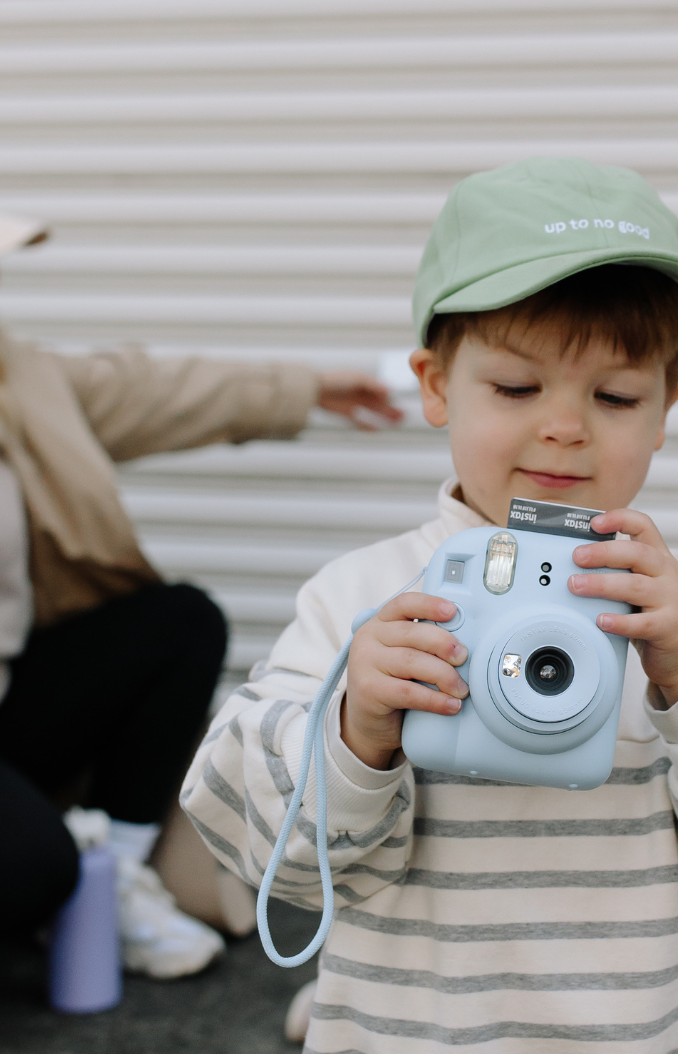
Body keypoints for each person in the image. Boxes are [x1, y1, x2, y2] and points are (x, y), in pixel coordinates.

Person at [183, 158, 678, 1054]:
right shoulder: (365, 601)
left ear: (667, 405)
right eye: (516, 389)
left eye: (616, 396)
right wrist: (357, 729)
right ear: (434, 384)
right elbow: (256, 837)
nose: (564, 428)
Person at [0, 212, 402, 977]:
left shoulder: (17, 378)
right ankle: (59, 871)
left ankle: (109, 874)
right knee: (27, 869)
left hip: (13, 702)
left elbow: (156, 391)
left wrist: (310, 388)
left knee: (176, 623)